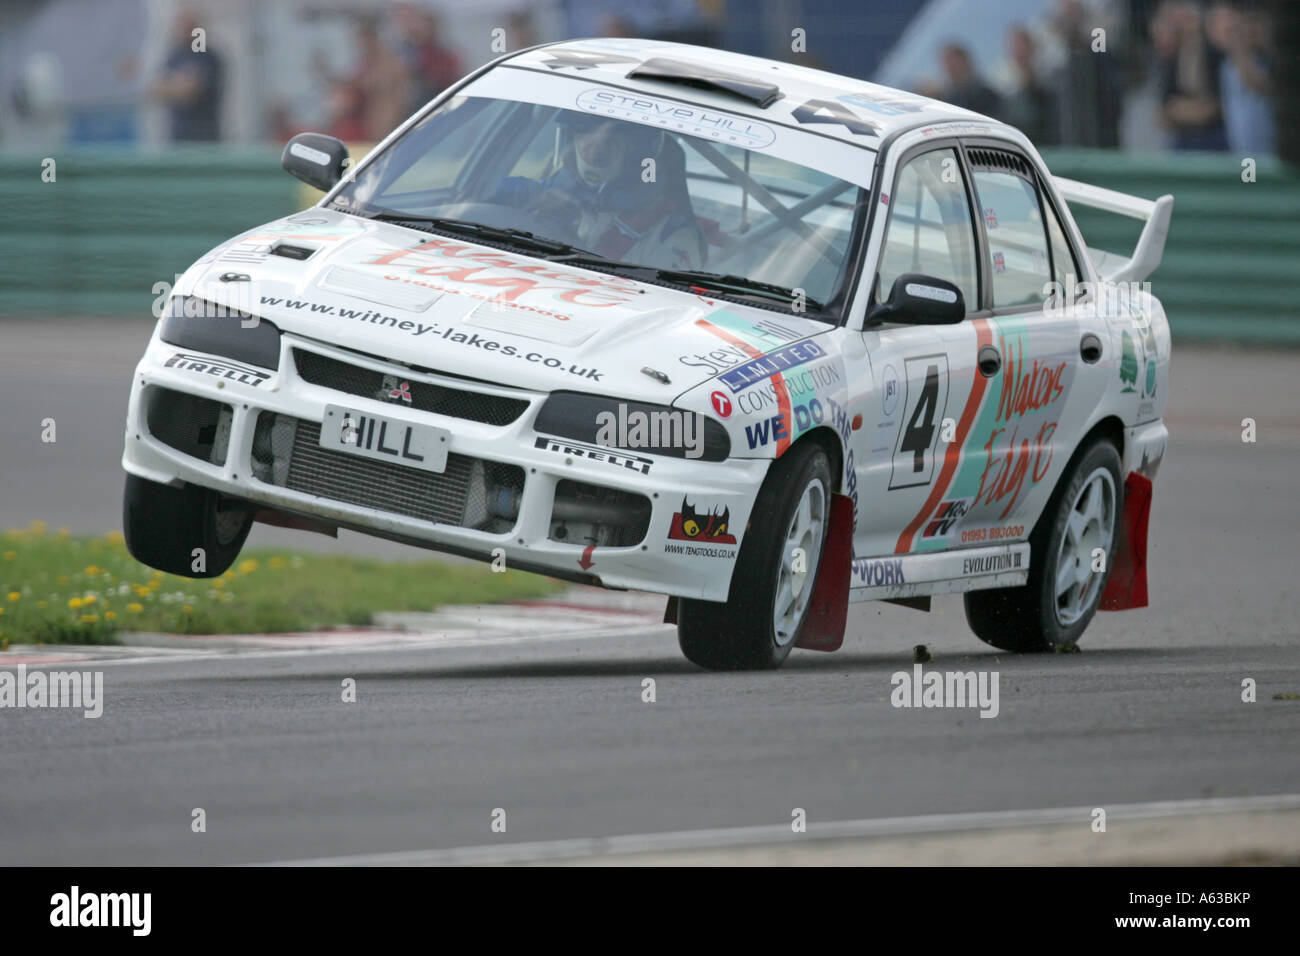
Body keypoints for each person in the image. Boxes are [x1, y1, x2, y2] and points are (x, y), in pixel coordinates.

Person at [492, 113, 705, 270]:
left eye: (614, 135)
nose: (595, 146)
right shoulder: (550, 192)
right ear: (570, 137)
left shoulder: (671, 236)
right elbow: (473, 199)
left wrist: (566, 238)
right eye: (585, 130)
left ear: (639, 151)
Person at [150, 9, 223, 142]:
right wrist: (180, 85)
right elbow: (155, 90)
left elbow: (191, 91)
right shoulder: (174, 55)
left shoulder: (208, 56)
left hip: (205, 139)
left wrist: (174, 85)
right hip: (177, 138)